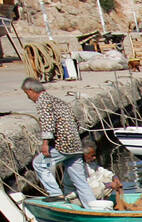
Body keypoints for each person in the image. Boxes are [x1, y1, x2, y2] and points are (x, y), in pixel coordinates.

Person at [22, 78, 96, 209]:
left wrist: (45, 143)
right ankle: (93, 208)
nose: (28, 98)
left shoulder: (43, 101)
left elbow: (48, 122)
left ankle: (56, 193)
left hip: (63, 145)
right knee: (80, 181)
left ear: (31, 90)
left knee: (39, 163)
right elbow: (76, 122)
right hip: (76, 145)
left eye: (27, 94)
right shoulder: (58, 101)